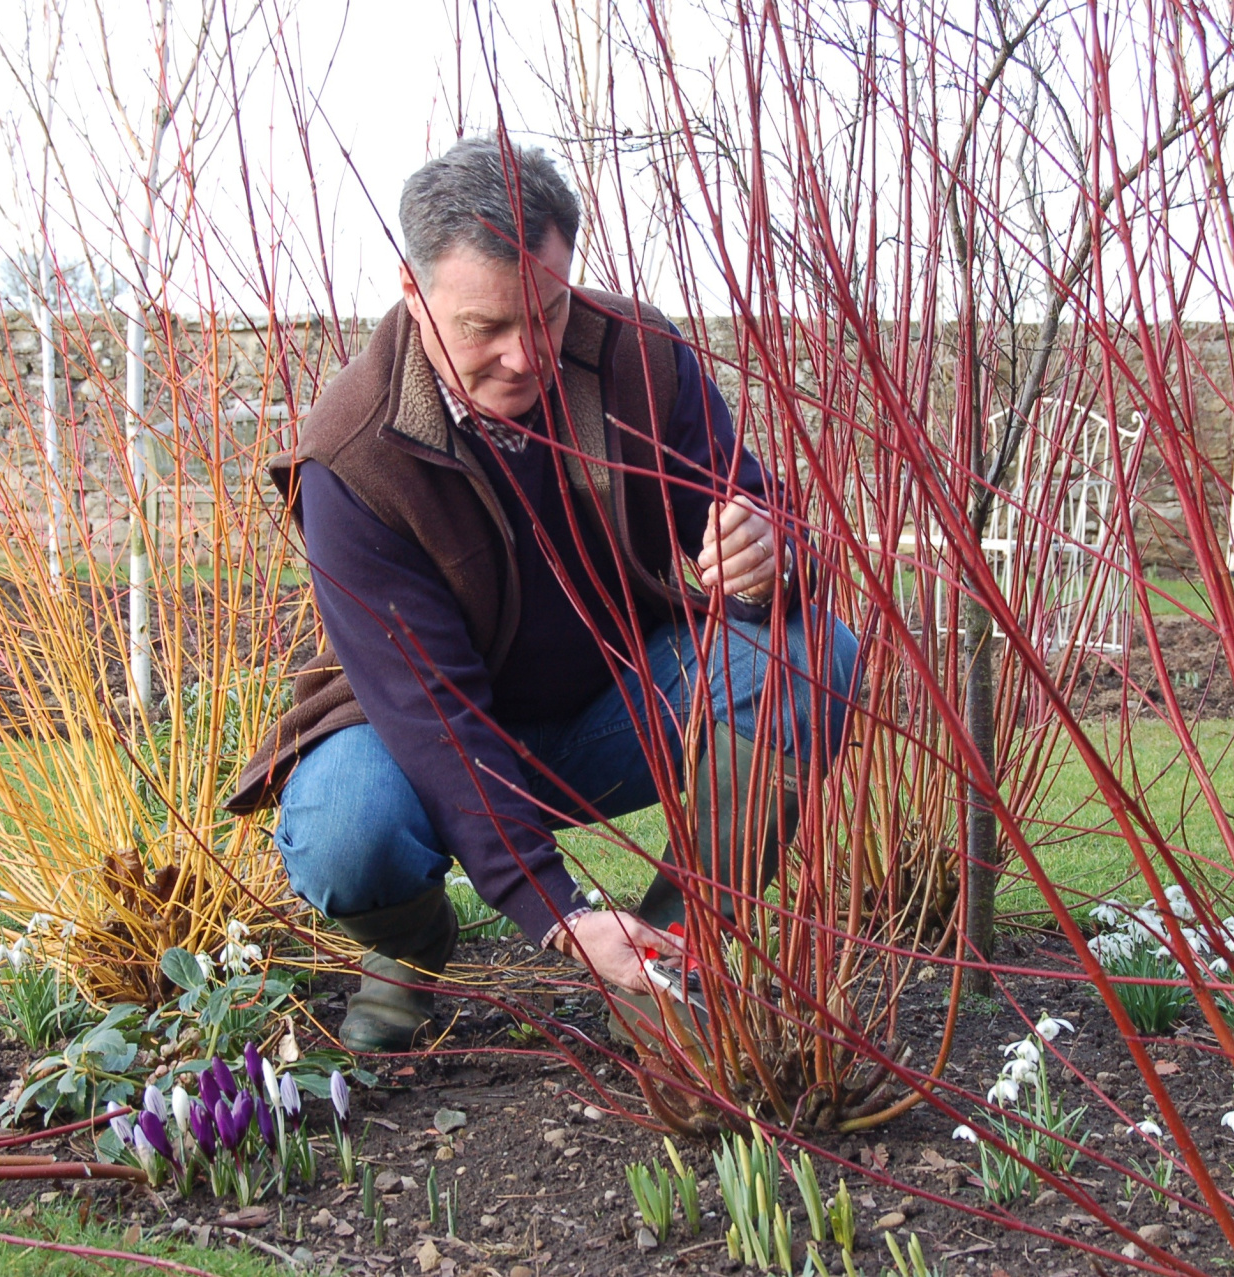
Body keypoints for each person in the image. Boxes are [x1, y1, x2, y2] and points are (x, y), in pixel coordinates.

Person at [226, 136, 859, 1053]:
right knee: (344, 832)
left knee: (813, 660)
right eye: (485, 326)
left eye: (549, 312)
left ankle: (668, 958)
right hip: (415, 738)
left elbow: (757, 507)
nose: (527, 356)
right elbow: (436, 716)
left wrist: (771, 551)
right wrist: (557, 911)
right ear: (413, 291)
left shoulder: (640, 356)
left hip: (614, 705)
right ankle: (411, 941)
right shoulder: (352, 456)